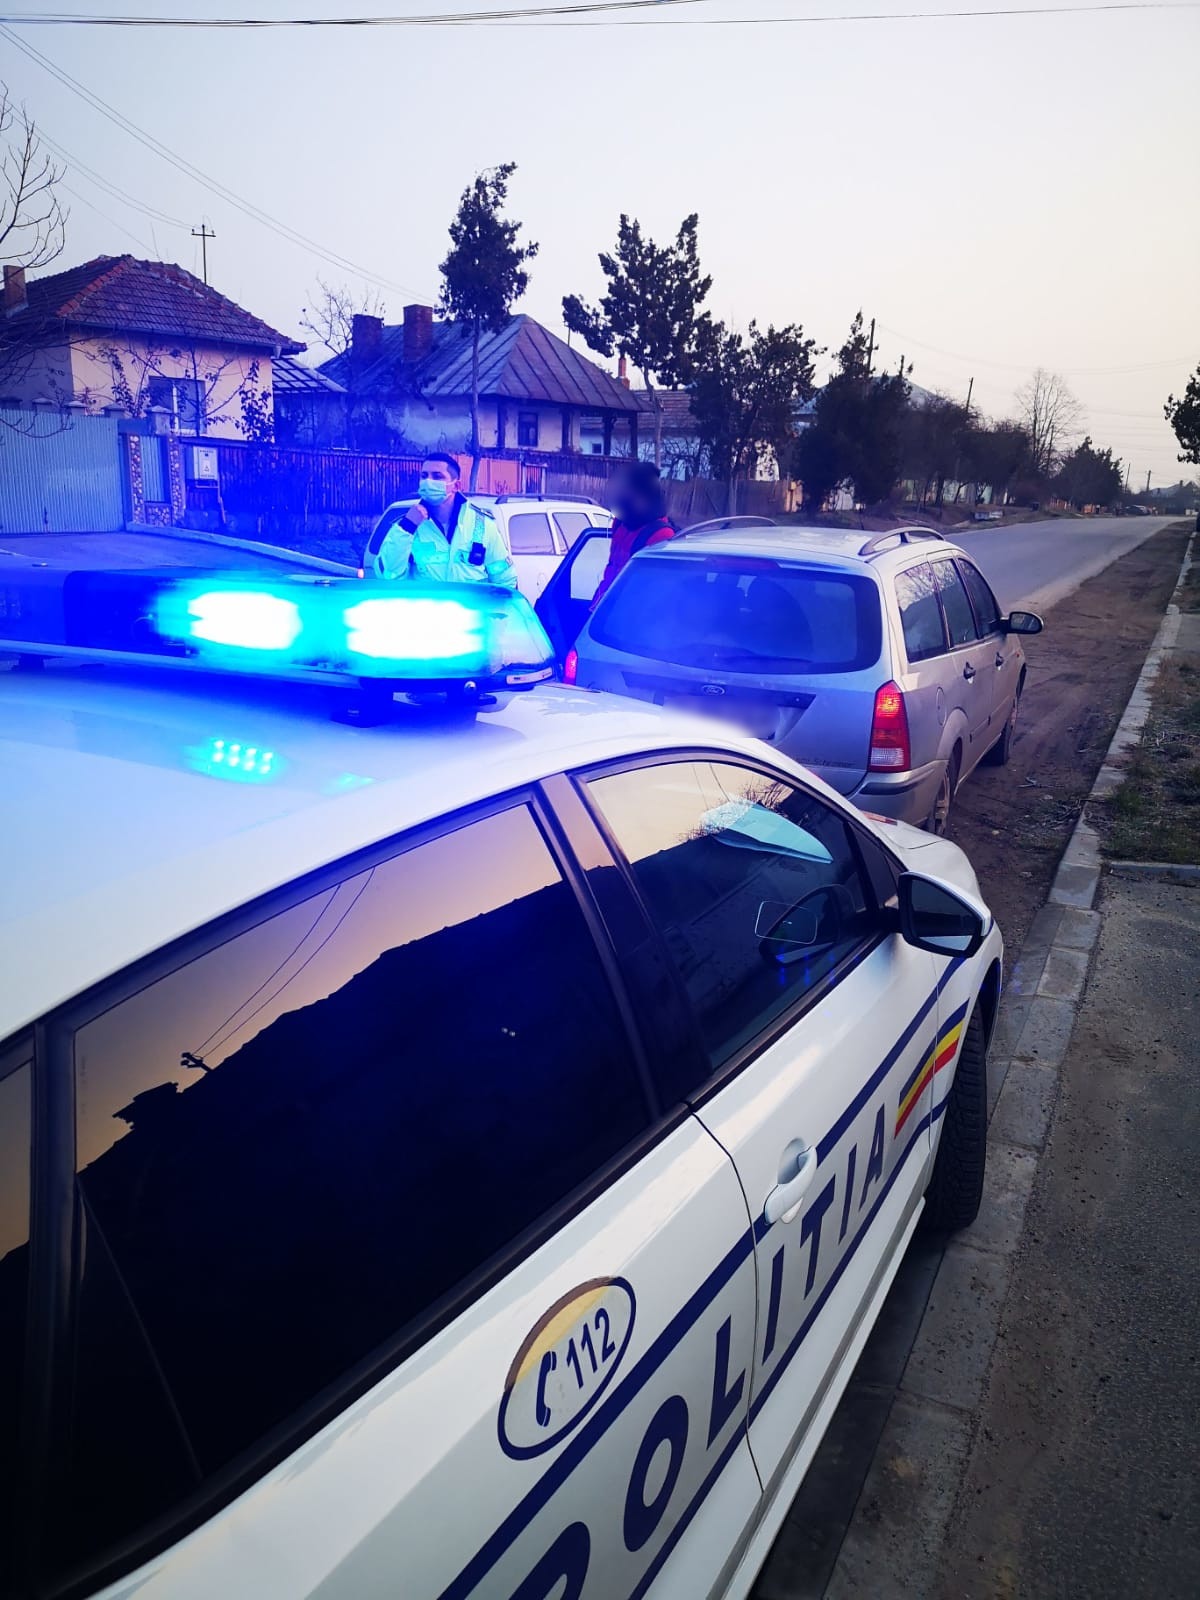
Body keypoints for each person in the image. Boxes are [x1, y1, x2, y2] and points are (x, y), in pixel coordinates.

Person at [374, 454, 517, 590]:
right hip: (426, 607)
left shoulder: (482, 524)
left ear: (456, 486)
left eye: (437, 476)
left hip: (471, 607)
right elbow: (388, 575)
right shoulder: (408, 526)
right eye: (424, 476)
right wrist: (407, 527)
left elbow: (505, 580)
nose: (428, 481)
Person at [591, 461, 676, 607]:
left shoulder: (661, 535)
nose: (621, 498)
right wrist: (597, 607)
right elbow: (612, 570)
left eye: (627, 494)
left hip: (629, 611)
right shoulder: (621, 523)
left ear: (643, 498)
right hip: (607, 604)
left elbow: (650, 591)